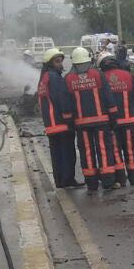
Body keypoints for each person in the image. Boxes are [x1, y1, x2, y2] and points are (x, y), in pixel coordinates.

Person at [65, 46, 123, 191]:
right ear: (88, 59)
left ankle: (91, 183)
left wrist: (69, 122)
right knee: (104, 150)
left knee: (87, 153)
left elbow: (67, 104)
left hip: (81, 124)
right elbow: (107, 96)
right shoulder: (97, 74)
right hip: (101, 122)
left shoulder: (68, 78)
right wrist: (114, 117)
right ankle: (108, 182)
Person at [36, 48, 82, 188]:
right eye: (57, 61)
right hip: (61, 123)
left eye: (61, 61)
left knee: (56, 155)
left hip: (51, 125)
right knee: (67, 153)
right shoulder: (54, 77)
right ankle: (68, 179)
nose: (60, 64)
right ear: (50, 63)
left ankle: (60, 181)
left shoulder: (43, 78)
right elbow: (62, 98)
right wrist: (69, 118)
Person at [100, 52, 134, 186]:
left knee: (115, 151)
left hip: (111, 123)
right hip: (129, 120)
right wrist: (132, 109)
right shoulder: (128, 75)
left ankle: (120, 179)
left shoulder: (101, 78)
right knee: (131, 149)